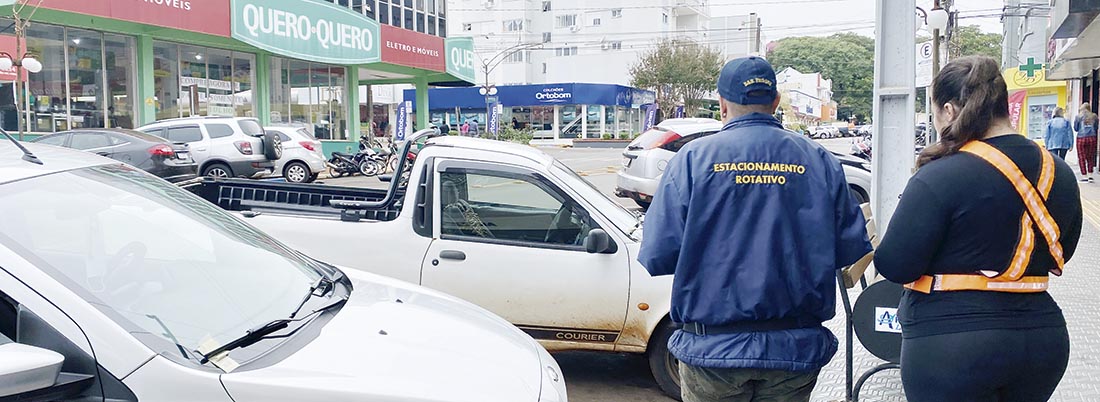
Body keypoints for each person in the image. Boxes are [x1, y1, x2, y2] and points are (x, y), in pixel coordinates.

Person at [638, 56, 872, 402]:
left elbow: (658, 255)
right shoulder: (819, 160)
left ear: (721, 104)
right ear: (776, 102)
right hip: (793, 350)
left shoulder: (692, 160)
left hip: (712, 351)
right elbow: (850, 249)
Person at [875, 56, 1082, 402]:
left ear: (950, 110)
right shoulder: (1058, 172)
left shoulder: (940, 175)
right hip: (1041, 340)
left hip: (950, 346)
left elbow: (896, 264)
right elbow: (1064, 250)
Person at [1074, 103, 1098, 182]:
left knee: (1081, 157)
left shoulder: (1078, 117)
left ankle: (1084, 176)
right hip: (1092, 137)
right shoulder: (1094, 116)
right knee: (1090, 156)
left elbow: (1076, 128)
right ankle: (1090, 174)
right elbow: (1096, 127)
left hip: (1081, 138)